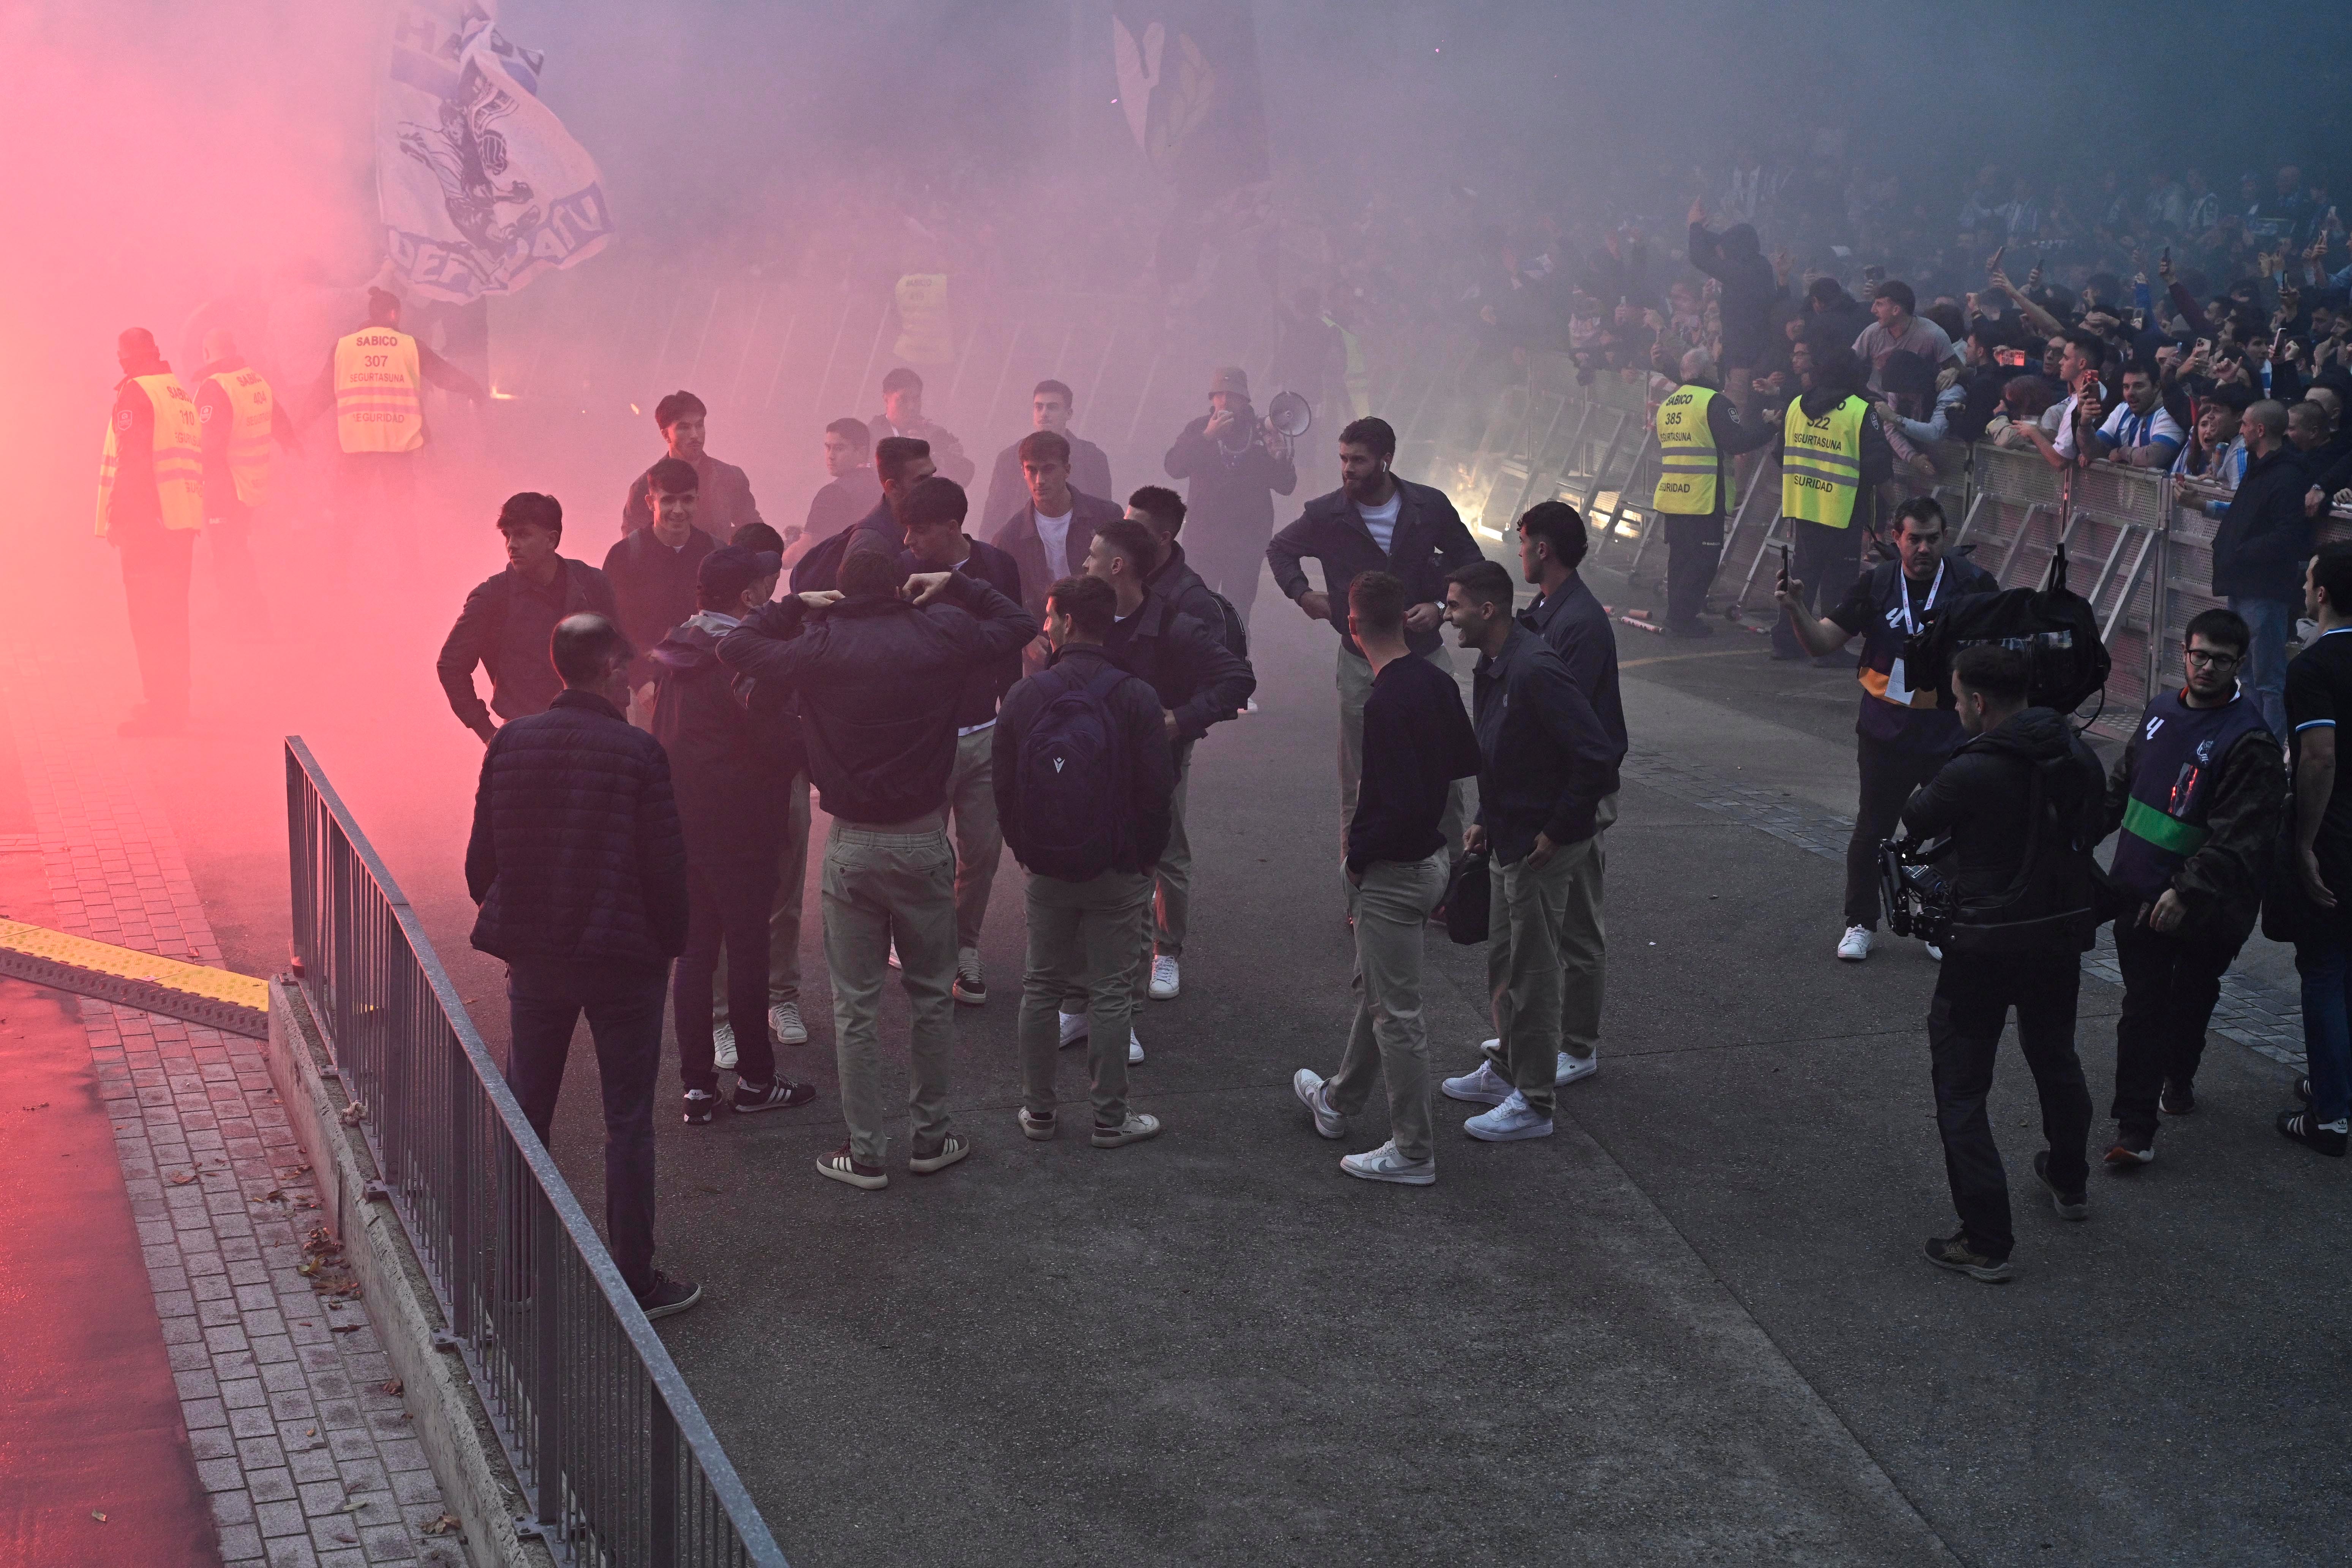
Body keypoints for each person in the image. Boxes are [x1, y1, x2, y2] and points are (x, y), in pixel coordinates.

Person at [718, 538, 1036, 1190]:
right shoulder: (940, 631)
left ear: (840, 589)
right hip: (922, 837)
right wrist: (953, 582)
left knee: (854, 1006)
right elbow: (1019, 624)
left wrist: (790, 605)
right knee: (929, 998)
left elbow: (735, 648)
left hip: (853, 842)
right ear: (900, 586)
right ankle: (931, 1134)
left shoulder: (819, 644)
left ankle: (864, 1151)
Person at [464, 613, 699, 1318]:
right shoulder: (637, 753)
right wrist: (669, 940)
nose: (633, 681)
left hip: (537, 959)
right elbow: (664, 867)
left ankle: (515, 1273)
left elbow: (482, 864)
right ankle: (634, 1277)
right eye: (626, 669)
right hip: (625, 963)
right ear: (607, 669)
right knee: (626, 1118)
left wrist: (518, 917)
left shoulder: (509, 743)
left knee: (526, 1111)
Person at [1900, 645, 2104, 1283]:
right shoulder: (2073, 750)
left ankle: (1985, 1238)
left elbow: (1916, 817)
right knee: (2055, 1056)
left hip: (1984, 946)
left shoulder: (1975, 768)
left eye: (1958, 697)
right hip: (2054, 935)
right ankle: (2069, 1180)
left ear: (1979, 701)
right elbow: (2095, 819)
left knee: (1960, 1086)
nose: (1956, 706)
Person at [1294, 572, 1481, 1185]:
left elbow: (1380, 800)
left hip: (1393, 872)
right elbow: (1462, 761)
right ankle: (1339, 1099)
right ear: (1404, 619)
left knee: (1397, 1013)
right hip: (1431, 861)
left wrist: (1356, 860)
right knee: (1383, 993)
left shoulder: (1381, 701)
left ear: (1352, 627)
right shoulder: (1433, 680)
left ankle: (1413, 1149)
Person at [1435, 561, 1620, 1144]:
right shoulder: (1495, 664)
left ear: (1487, 610)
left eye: (1455, 605)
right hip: (1510, 836)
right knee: (1507, 963)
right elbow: (1503, 752)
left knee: (1535, 975)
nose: (1447, 615)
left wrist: (1559, 830)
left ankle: (1534, 1103)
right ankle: (1509, 1068)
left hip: (1541, 845)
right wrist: (1488, 819)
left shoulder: (1535, 668)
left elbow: (1596, 754)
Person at [996, 573, 1174, 1151]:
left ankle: (1038, 1112)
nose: (1045, 627)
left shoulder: (1027, 696)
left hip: (1047, 868)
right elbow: (1157, 789)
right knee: (1114, 991)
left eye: (1049, 618)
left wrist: (1027, 851)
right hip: (1119, 868)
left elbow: (1003, 788)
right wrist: (1146, 860)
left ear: (1067, 623)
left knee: (1042, 985)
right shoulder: (1137, 696)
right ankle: (1110, 1118)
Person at [2099, 609, 2283, 1167]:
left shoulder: (2249, 742)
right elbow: (2122, 789)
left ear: (2239, 666)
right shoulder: (2158, 714)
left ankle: (2178, 1077)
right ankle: (2136, 1131)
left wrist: (2186, 891)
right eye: (2199, 655)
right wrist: (2076, 834)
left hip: (2205, 908)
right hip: (2137, 893)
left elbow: (2242, 837)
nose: (2206, 667)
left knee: (2192, 997)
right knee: (2144, 1008)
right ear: (2184, 652)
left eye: (2220, 661)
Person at [1777, 495, 1998, 960]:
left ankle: (1940, 920)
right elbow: (1821, 643)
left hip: (1949, 733)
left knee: (1955, 833)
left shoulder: (1974, 585)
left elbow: (2001, 656)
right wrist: (1797, 608)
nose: (1923, 549)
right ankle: (1860, 923)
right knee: (1872, 830)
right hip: (1885, 733)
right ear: (1896, 538)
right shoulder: (1875, 585)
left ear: (1946, 539)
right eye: (1913, 539)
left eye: (1933, 539)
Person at [648, 545, 820, 1126]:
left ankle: (697, 1091)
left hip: (684, 824)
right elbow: (774, 741)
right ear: (748, 596)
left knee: (695, 956)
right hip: (743, 827)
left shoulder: (679, 646)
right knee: (748, 951)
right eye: (768, 587)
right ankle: (756, 1081)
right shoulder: (739, 660)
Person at [1070, 519, 1256, 1050]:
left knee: (1149, 871)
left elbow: (1237, 679)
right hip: (1093, 770)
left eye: (1091, 557)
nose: (1083, 565)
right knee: (1095, 880)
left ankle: (1150, 975)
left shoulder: (1175, 624)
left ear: (1118, 566)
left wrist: (1178, 719)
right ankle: (1081, 1005)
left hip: (1152, 770)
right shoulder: (1089, 616)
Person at [1268, 416, 1482, 861]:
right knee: (1361, 782)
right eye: (1343, 459)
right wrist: (1302, 593)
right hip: (1360, 660)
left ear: (1386, 460)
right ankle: (1359, 889)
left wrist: (1442, 608)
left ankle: (1452, 887)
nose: (1348, 469)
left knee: (1444, 775)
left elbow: (1470, 561)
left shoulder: (1429, 508)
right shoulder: (1326, 514)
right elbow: (1280, 548)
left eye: (1359, 461)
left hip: (1424, 656)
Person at [1475, 501, 1627, 1085]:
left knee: (1578, 928)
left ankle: (1578, 1046)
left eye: (1523, 543)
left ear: (1543, 549)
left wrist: (1563, 820)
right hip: (1551, 796)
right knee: (1534, 931)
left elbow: (1578, 735)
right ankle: (1526, 1043)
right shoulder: (1549, 611)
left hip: (1574, 798)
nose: (1519, 554)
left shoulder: (1578, 624)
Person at [898, 475, 1026, 1006]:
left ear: (953, 528)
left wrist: (1014, 716)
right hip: (925, 740)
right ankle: (929, 950)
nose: (909, 543)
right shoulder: (902, 573)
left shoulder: (998, 567)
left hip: (985, 734)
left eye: (920, 532)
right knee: (925, 855)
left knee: (982, 852)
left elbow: (1012, 647)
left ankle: (966, 949)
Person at [1124, 485, 1254, 996]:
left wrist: (1179, 720)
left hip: (1163, 742)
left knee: (1168, 845)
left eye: (1134, 524)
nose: (1122, 530)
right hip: (1118, 734)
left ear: (1163, 535)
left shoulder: (1192, 599)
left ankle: (1167, 950)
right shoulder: (1120, 575)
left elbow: (1230, 683)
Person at [2271, 544, 2352, 1157]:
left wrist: (2303, 841)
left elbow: (2317, 757)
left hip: (2336, 837)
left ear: (2320, 593)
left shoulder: (2313, 667)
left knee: (2321, 966)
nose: (2303, 586)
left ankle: (2328, 1115)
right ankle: (2337, 1079)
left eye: (2307, 578)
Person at [438, 493, 620, 742]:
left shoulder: (592, 583)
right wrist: (488, 734)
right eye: (507, 535)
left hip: (592, 732)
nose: (512, 545)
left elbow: (618, 656)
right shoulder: (493, 597)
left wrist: (618, 725)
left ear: (551, 539)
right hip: (527, 737)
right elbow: (451, 665)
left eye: (523, 535)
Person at [308, 287, 484, 536]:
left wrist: (296, 427)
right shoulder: (410, 346)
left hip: (355, 446)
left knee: (347, 517)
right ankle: (411, 572)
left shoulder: (343, 348)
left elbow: (320, 395)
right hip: (397, 447)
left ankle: (338, 571)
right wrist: (475, 390)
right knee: (402, 518)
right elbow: (446, 377)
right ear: (394, 315)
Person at [98, 327, 204, 735]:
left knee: (149, 617)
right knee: (173, 614)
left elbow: (134, 459)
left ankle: (162, 708)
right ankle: (177, 701)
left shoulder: (136, 393)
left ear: (124, 357)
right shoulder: (175, 391)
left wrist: (118, 516)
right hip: (179, 520)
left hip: (146, 524)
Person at [1767, 343, 1896, 666]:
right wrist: (1894, 508)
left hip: (1804, 504)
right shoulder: (1860, 411)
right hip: (1842, 509)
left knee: (1802, 575)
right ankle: (1829, 649)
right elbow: (1879, 467)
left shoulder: (1797, 404)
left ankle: (1786, 641)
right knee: (1839, 581)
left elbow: (1779, 454)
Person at [1650, 349, 1778, 635]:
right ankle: (1683, 620)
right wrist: (1770, 428)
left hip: (1674, 493)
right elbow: (1737, 442)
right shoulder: (1716, 402)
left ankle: (1677, 615)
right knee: (1704, 562)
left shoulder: (1669, 404)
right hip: (1704, 496)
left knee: (1680, 559)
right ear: (1707, 372)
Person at [1164, 367, 1299, 633]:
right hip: (1203, 539)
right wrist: (1206, 438)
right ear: (1212, 399)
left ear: (1245, 400)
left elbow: (1286, 486)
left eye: (1233, 395)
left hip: (1247, 541)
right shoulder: (1198, 428)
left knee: (1238, 611)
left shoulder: (1262, 431)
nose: (1225, 401)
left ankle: (1237, 665)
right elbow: (1174, 467)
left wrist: (1280, 458)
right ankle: (1198, 666)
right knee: (1197, 607)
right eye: (1219, 395)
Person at [2210, 400, 2313, 740]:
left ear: (2260, 430)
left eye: (2244, 425)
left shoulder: (2286, 476)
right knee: (2249, 675)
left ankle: (2267, 748)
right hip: (2244, 583)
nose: (2239, 430)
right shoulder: (2260, 468)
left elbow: (2288, 535)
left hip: (2264, 590)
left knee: (2268, 678)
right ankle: (2249, 742)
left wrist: (2242, 551)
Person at [193, 327, 297, 628]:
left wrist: (192, 475)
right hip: (250, 483)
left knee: (227, 552)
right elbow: (274, 411)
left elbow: (208, 443)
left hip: (226, 484)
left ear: (206, 353)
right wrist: (290, 439)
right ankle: (250, 615)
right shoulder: (253, 378)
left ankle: (244, 616)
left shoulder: (215, 387)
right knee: (236, 547)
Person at [602, 457, 719, 723]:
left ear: (698, 500)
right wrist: (641, 682)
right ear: (650, 502)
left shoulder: (715, 554)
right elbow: (610, 629)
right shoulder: (624, 556)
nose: (678, 510)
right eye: (668, 500)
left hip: (705, 693)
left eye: (687, 500)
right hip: (639, 692)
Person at [988, 429, 1124, 643]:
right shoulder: (1009, 538)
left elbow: (1130, 577)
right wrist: (1027, 639)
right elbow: (1002, 599)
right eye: (1031, 470)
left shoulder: (1107, 516)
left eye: (1048, 469)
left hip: (1108, 631)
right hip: (1047, 639)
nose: (1039, 480)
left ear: (1067, 470)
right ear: (1023, 472)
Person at [790, 435, 934, 594]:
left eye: (932, 476)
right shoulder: (870, 544)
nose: (934, 485)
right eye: (922, 480)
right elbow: (859, 611)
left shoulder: (923, 523)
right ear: (892, 487)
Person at [621, 390, 765, 539]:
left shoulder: (730, 477)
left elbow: (754, 531)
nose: (695, 435)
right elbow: (633, 548)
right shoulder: (644, 486)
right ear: (665, 435)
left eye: (699, 425)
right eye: (684, 428)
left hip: (720, 561)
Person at [981, 379, 1113, 531]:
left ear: (1069, 413)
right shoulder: (1009, 458)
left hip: (1081, 542)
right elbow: (993, 519)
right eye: (1039, 407)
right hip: (1023, 544)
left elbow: (1105, 515)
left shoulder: (1093, 458)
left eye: (1052, 407)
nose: (1044, 413)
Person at [868, 367, 974, 485]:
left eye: (916, 399)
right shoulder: (869, 437)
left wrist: (930, 455)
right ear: (886, 398)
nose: (912, 406)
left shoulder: (936, 435)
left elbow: (962, 478)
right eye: (904, 399)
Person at [1852, 280, 1961, 390]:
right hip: (1875, 400)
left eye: (1879, 304)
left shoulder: (1934, 335)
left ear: (1896, 310)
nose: (1873, 310)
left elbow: (1963, 371)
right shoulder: (1872, 332)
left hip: (1917, 401)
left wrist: (1954, 371)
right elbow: (1850, 363)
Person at [803, 417, 880, 550]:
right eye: (828, 448)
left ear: (861, 452)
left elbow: (807, 546)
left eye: (839, 449)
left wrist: (774, 560)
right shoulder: (878, 484)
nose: (831, 456)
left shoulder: (833, 493)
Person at [2090, 365, 2187, 468]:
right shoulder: (2123, 409)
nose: (2130, 393)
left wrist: (2121, 452)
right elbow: (2094, 451)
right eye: (2126, 387)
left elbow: (2152, 458)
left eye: (2139, 386)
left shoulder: (2169, 412)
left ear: (2157, 387)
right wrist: (2085, 424)